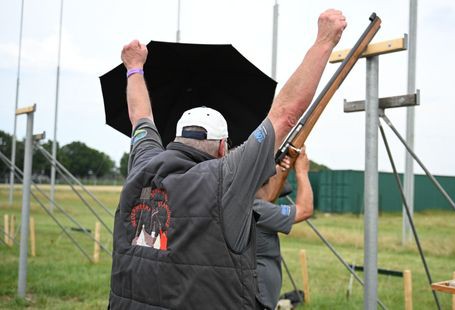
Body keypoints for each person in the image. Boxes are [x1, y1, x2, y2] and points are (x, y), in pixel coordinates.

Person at [108, 9, 347, 310]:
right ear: (223, 147)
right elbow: (285, 114)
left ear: (176, 137)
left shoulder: (142, 164)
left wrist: (134, 68)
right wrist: (324, 41)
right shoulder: (226, 177)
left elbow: (139, 115)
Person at [253, 147, 313, 310]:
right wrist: (301, 171)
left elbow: (270, 192)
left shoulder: (240, 201)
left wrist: (281, 169)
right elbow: (305, 209)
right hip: (258, 299)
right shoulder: (257, 209)